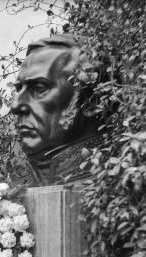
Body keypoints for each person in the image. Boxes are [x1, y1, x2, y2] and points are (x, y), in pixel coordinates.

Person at [11, 34, 102, 184]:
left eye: (40, 88)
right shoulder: (19, 183)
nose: (15, 106)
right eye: (19, 89)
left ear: (90, 99)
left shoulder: (110, 179)